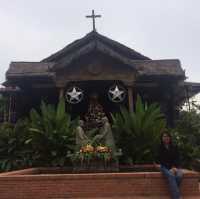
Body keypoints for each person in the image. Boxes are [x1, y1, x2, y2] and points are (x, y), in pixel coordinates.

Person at [157, 130, 183, 199]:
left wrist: (174, 167)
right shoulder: (160, 148)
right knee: (171, 176)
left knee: (179, 176)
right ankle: (177, 197)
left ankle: (174, 193)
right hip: (164, 167)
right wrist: (170, 168)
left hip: (176, 166)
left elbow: (178, 158)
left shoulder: (175, 146)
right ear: (162, 138)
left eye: (167, 136)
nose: (166, 138)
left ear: (170, 137)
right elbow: (161, 160)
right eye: (164, 136)